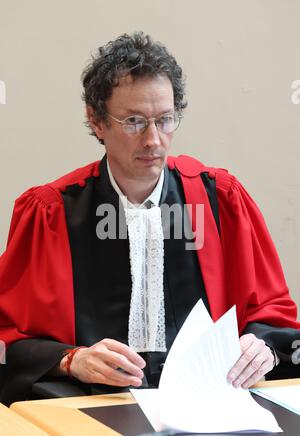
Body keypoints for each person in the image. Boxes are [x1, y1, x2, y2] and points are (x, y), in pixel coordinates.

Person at [0, 32, 299, 406]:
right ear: (96, 121)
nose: (154, 140)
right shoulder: (50, 212)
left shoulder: (221, 199)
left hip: (210, 408)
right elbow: (8, 338)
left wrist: (263, 349)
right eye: (134, 121)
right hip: (89, 409)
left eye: (165, 119)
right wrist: (72, 360)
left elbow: (274, 319)